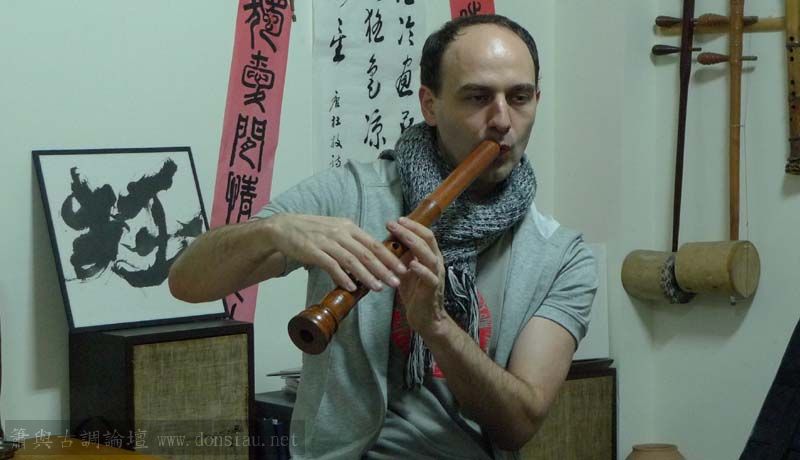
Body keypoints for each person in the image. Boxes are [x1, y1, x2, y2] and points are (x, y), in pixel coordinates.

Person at [169, 13, 597, 460]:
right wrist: (272, 231)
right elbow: (187, 282)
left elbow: (519, 424)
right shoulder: (351, 194)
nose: (502, 120)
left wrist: (437, 326)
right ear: (430, 105)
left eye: (520, 97)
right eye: (477, 97)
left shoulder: (561, 257)